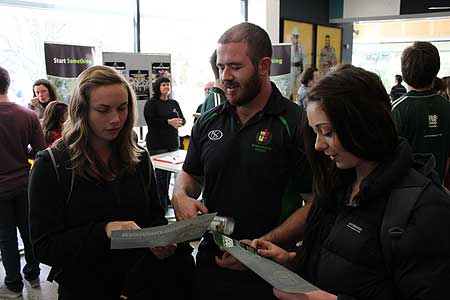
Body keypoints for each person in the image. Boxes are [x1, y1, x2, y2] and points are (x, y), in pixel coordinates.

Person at [253, 64, 450, 300]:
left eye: (327, 132)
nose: (318, 145)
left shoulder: (425, 207)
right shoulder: (338, 185)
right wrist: (292, 262)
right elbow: (341, 265)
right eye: (315, 132)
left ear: (363, 126)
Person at [172, 22, 313, 300]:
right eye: (221, 67)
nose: (225, 76)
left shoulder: (295, 123)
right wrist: (180, 194)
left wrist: (261, 246)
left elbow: (314, 202)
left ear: (263, 66)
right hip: (211, 263)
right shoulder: (210, 119)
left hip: (268, 269)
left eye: (235, 67)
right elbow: (191, 176)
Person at [28, 66, 194, 299]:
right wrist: (104, 231)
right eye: (103, 110)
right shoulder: (52, 165)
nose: (115, 119)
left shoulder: (138, 157)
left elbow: (154, 216)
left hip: (140, 284)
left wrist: (160, 241)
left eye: (122, 108)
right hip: (84, 288)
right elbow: (44, 247)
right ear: (82, 111)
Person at [0, 66, 45, 298]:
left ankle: (13, 283)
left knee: (6, 237)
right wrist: (22, 150)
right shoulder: (28, 116)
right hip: (24, 184)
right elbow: (40, 152)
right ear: (7, 84)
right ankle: (33, 271)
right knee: (29, 231)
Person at [392, 41, 450, 184]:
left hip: (404, 193)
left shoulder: (398, 108)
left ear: (404, 72)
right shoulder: (447, 106)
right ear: (436, 71)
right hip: (437, 189)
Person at [144, 76, 185, 209]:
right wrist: (168, 122)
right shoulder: (152, 103)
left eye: (168, 84)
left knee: (169, 174)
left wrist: (180, 122)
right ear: (158, 87)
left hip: (172, 143)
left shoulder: (174, 103)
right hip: (157, 144)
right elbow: (150, 121)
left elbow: (182, 119)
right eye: (163, 85)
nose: (166, 87)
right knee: (161, 175)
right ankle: (160, 203)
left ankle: (166, 199)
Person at [290, 27, 307, 97]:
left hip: (299, 68)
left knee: (299, 85)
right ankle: (290, 98)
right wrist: (294, 46)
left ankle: (298, 100)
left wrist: (304, 69)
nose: (295, 38)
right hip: (292, 68)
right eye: (294, 36)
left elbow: (304, 58)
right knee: (291, 85)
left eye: (297, 36)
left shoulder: (301, 47)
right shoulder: (290, 46)